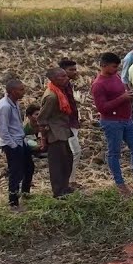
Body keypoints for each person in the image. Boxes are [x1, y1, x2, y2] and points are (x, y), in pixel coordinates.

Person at [91, 52, 133, 196]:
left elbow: (121, 94)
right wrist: (123, 98)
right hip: (112, 122)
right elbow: (102, 108)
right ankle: (120, 184)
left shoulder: (115, 77)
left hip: (126, 119)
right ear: (103, 66)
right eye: (114, 67)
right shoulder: (98, 85)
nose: (116, 69)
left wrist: (129, 94)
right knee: (114, 152)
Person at [0, 78, 34, 210]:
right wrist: (13, 145)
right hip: (12, 144)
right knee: (16, 173)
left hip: (20, 141)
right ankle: (13, 203)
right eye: (21, 89)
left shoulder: (14, 103)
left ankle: (25, 193)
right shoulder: (4, 107)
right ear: (12, 91)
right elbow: (2, 130)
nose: (24, 92)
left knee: (29, 167)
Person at [38, 67, 77, 198]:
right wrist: (43, 138)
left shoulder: (59, 92)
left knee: (67, 160)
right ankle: (58, 192)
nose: (67, 78)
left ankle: (64, 187)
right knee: (57, 164)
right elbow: (42, 119)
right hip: (55, 134)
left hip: (62, 131)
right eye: (63, 77)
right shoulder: (52, 96)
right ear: (54, 79)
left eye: (66, 76)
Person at [57, 58, 83, 186]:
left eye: (75, 69)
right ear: (62, 71)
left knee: (72, 152)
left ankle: (70, 181)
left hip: (71, 122)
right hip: (67, 124)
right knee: (74, 152)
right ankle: (68, 182)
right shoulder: (60, 88)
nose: (74, 72)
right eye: (71, 70)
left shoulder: (66, 85)